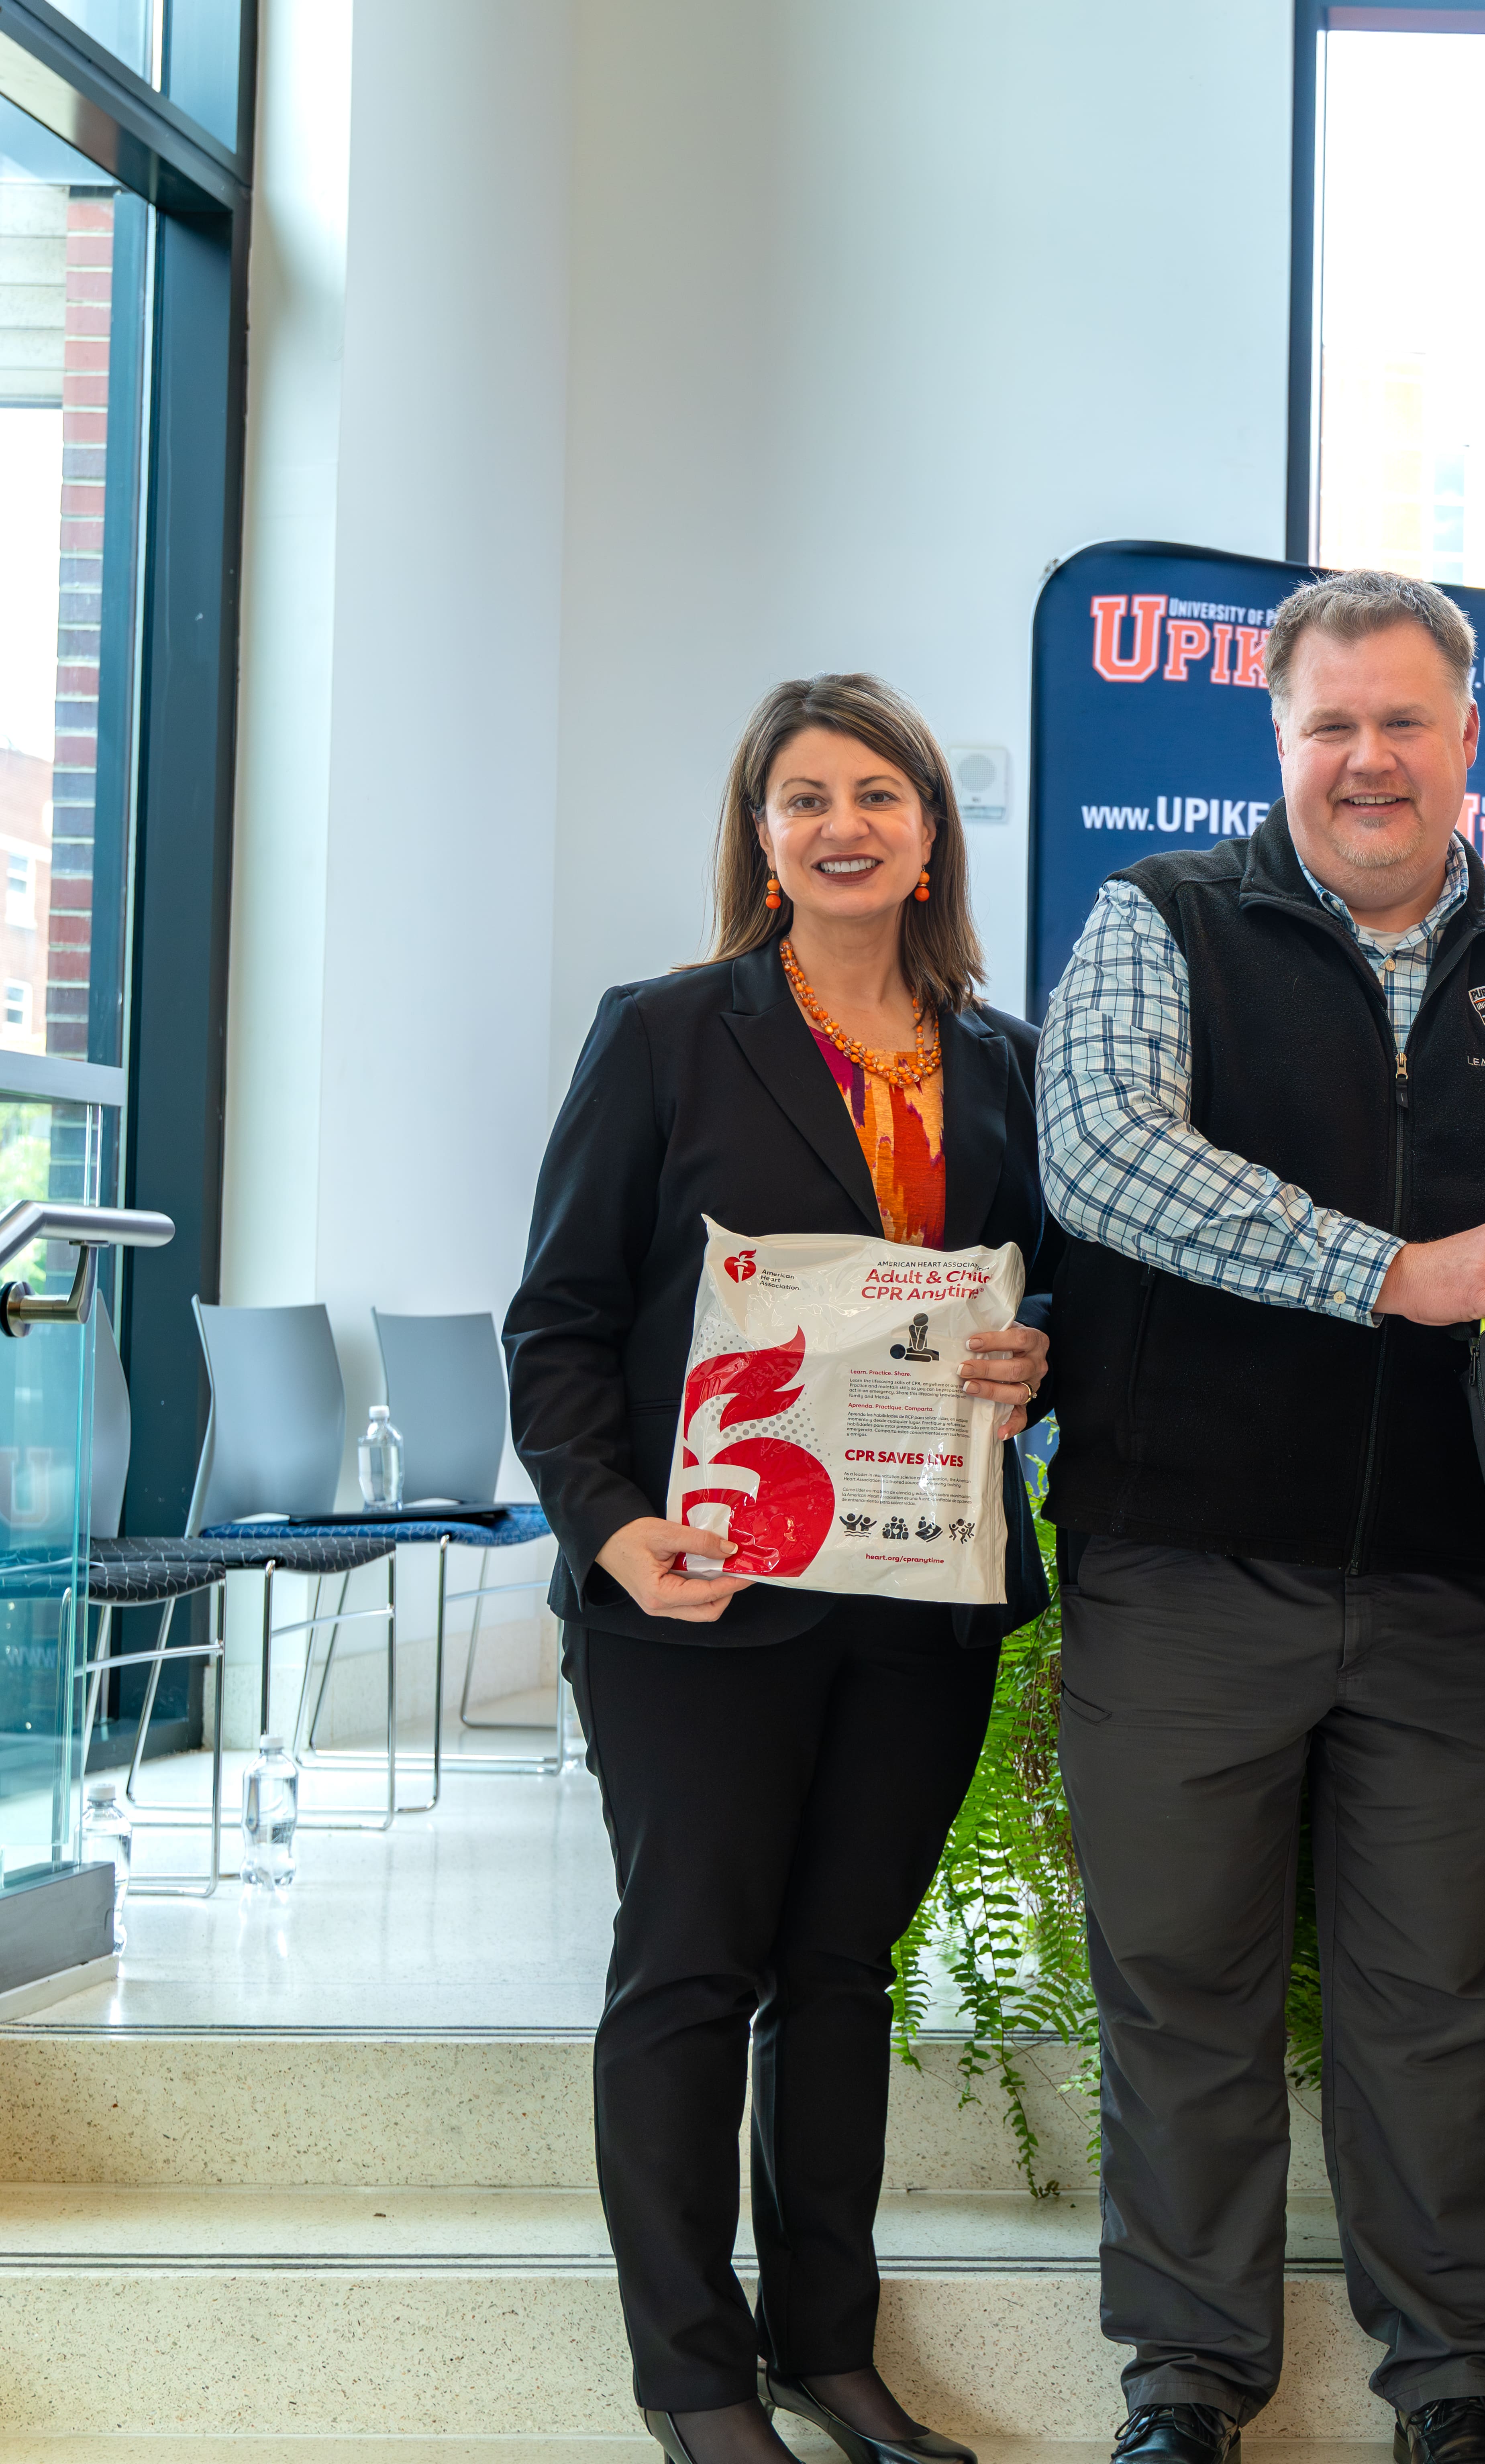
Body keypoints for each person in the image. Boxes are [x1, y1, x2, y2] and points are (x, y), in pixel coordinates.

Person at [1035, 569, 1485, 2464]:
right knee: (1182, 1993)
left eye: (1404, 721)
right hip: (1183, 1568)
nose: (1368, 758)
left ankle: (1454, 2379)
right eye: (1331, 724)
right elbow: (1100, 1154)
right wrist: (1393, 1270)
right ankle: (1189, 2381)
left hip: (1456, 1593)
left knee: (1439, 2005)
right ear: (1277, 738)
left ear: (1472, 741)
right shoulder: (1160, 922)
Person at [507, 674, 1056, 2464]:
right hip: (702, 1591)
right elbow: (562, 1320)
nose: (843, 823)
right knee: (688, 1966)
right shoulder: (666, 1033)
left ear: (928, 834)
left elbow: (1052, 1298)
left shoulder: (1003, 1062)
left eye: (878, 793)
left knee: (840, 1969)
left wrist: (1037, 1349)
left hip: (920, 1589)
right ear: (763, 836)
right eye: (803, 795)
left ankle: (833, 2349)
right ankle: (692, 2376)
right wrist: (607, 1520)